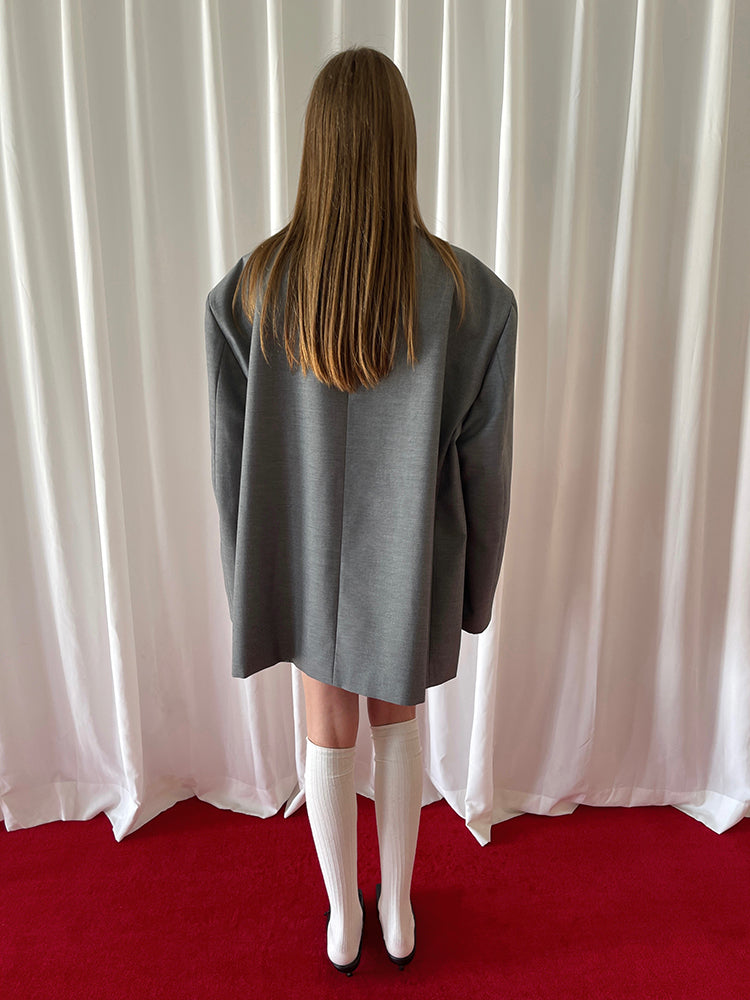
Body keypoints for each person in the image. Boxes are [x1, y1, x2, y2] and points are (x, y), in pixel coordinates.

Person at [204, 45, 517, 975]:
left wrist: (248, 576)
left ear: (318, 148)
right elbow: (488, 467)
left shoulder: (253, 289)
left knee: (326, 720)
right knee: (396, 721)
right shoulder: (470, 295)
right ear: (401, 147)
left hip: (297, 554)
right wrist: (475, 592)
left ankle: (345, 914)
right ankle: (398, 911)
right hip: (411, 554)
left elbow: (230, 463)